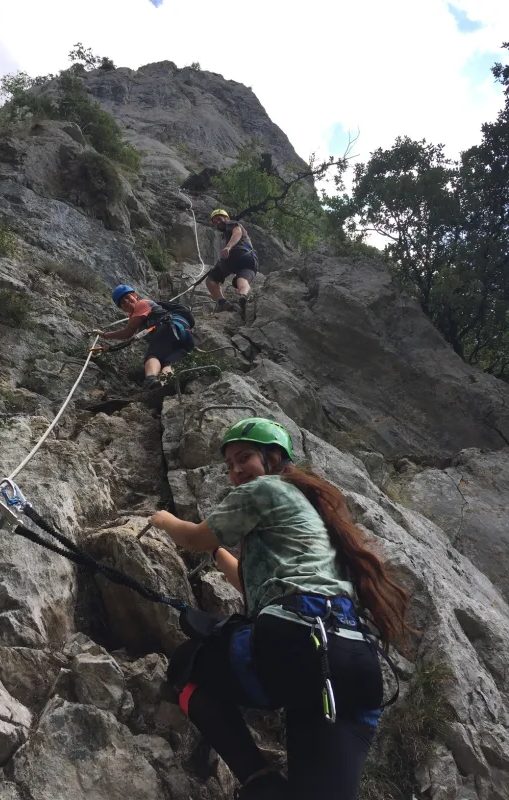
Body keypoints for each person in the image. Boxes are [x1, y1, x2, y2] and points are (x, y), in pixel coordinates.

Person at [149, 417, 410, 800]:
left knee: (190, 666)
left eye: (245, 457)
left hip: (299, 642)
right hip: (355, 664)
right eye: (230, 465)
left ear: (273, 458)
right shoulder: (313, 515)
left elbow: (194, 537)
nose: (236, 470)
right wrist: (222, 553)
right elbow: (262, 587)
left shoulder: (266, 489)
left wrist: (163, 519)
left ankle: (260, 782)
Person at [97, 285, 194, 390]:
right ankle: (163, 385)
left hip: (169, 327)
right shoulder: (142, 316)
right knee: (168, 362)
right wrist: (109, 349)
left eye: (127, 297)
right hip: (185, 334)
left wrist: (104, 335)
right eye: (123, 303)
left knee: (153, 355)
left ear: (135, 296)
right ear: (122, 309)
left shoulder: (142, 304)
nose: (126, 301)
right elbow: (130, 339)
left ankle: (151, 380)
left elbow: (127, 333)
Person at [206, 209, 259, 319]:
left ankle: (223, 303)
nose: (218, 223)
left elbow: (237, 232)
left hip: (237, 253)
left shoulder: (230, 223)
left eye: (219, 219)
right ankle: (243, 296)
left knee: (211, 279)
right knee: (242, 280)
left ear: (226, 218)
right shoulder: (229, 233)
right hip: (251, 259)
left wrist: (228, 247)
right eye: (214, 222)